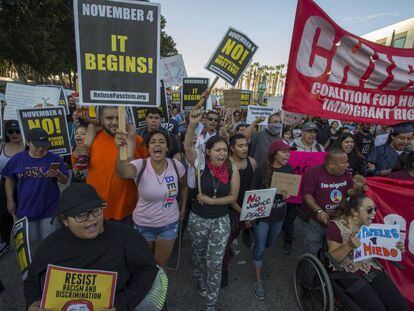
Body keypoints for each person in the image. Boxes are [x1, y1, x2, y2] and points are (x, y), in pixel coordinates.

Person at [24, 183, 167, 311]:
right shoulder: (50, 246)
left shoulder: (126, 237)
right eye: (81, 215)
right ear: (65, 220)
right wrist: (33, 302)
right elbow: (31, 280)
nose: (91, 219)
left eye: (96, 211)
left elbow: (147, 271)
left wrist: (121, 305)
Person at [184, 109, 240, 311]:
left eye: (225, 150)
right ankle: (199, 277)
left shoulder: (232, 168)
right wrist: (192, 124)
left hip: (220, 222)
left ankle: (211, 303)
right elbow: (188, 146)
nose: (222, 153)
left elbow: (233, 197)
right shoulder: (200, 164)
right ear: (208, 152)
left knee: (215, 263)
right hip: (198, 220)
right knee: (199, 256)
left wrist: (210, 200)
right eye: (217, 150)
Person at [115, 129, 188, 268]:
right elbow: (122, 172)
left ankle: (160, 290)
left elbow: (184, 187)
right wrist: (120, 151)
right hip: (143, 224)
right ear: (148, 147)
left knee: (161, 265)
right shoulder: (140, 165)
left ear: (168, 147)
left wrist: (183, 209)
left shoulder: (176, 166)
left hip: (169, 224)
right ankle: (147, 289)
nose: (157, 145)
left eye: (162, 142)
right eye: (153, 142)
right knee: (146, 264)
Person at [327, 194, 409, 311]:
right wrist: (349, 246)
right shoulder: (336, 226)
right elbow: (332, 258)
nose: (374, 214)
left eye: (375, 209)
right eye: (369, 210)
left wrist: (396, 248)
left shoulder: (372, 227)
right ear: (355, 212)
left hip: (371, 267)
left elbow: (384, 250)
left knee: (400, 306)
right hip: (348, 271)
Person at [75, 106, 147, 222]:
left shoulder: (137, 140)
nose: (114, 122)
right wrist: (77, 153)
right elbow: (78, 166)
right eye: (109, 118)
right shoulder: (90, 140)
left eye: (118, 118)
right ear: (101, 120)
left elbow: (146, 173)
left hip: (129, 212)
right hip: (97, 212)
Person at [2, 128, 69, 251]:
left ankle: (47, 265)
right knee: (29, 240)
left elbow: (64, 180)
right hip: (26, 208)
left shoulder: (54, 159)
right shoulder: (18, 159)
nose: (40, 149)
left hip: (49, 207)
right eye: (37, 146)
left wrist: (58, 174)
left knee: (48, 241)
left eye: (44, 146)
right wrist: (10, 200)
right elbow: (9, 178)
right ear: (28, 142)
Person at [250, 138, 293, 299]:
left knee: (271, 243)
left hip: (279, 214)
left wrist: (288, 195)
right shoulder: (262, 169)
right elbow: (252, 190)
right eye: (284, 151)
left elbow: (291, 191)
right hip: (262, 217)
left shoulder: (289, 169)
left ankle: (258, 245)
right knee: (260, 248)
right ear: (274, 154)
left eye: (288, 151)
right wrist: (251, 216)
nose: (287, 155)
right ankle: (258, 280)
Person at [301, 148, 366, 255]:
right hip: (315, 220)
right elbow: (306, 195)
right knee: (312, 247)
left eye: (347, 161)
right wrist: (319, 211)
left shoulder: (345, 173)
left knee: (333, 248)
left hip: (338, 218)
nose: (347, 165)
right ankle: (308, 270)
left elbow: (349, 192)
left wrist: (358, 188)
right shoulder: (313, 173)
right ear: (331, 164)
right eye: (343, 162)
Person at [221, 134, 257, 288]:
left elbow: (254, 187)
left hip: (245, 208)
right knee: (226, 239)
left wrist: (250, 212)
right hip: (228, 208)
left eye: (246, 145)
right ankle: (223, 271)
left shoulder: (252, 162)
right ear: (231, 148)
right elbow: (228, 194)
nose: (244, 149)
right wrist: (244, 213)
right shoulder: (226, 164)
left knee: (236, 233)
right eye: (240, 146)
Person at [0, 120, 24, 256]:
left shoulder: (29, 146)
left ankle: (26, 240)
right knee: (4, 212)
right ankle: (4, 241)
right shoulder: (2, 146)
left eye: (18, 131)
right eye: (11, 131)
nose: (14, 134)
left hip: (24, 182)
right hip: (5, 182)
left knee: (23, 211)